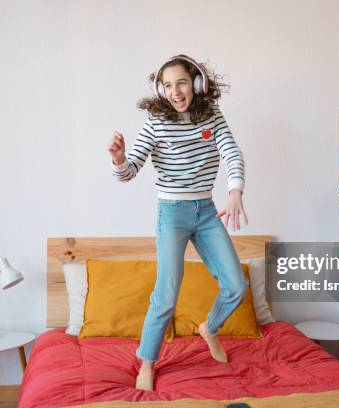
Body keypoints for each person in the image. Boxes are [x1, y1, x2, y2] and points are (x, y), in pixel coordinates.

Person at [107, 55, 249, 391]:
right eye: (168, 85)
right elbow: (128, 173)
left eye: (181, 83)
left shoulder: (211, 115)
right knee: (167, 294)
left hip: (206, 210)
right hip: (172, 212)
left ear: (197, 84)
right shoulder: (156, 122)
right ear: (160, 90)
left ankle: (209, 328)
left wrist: (235, 191)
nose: (176, 91)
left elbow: (231, 152)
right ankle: (147, 361)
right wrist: (118, 160)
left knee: (236, 286)